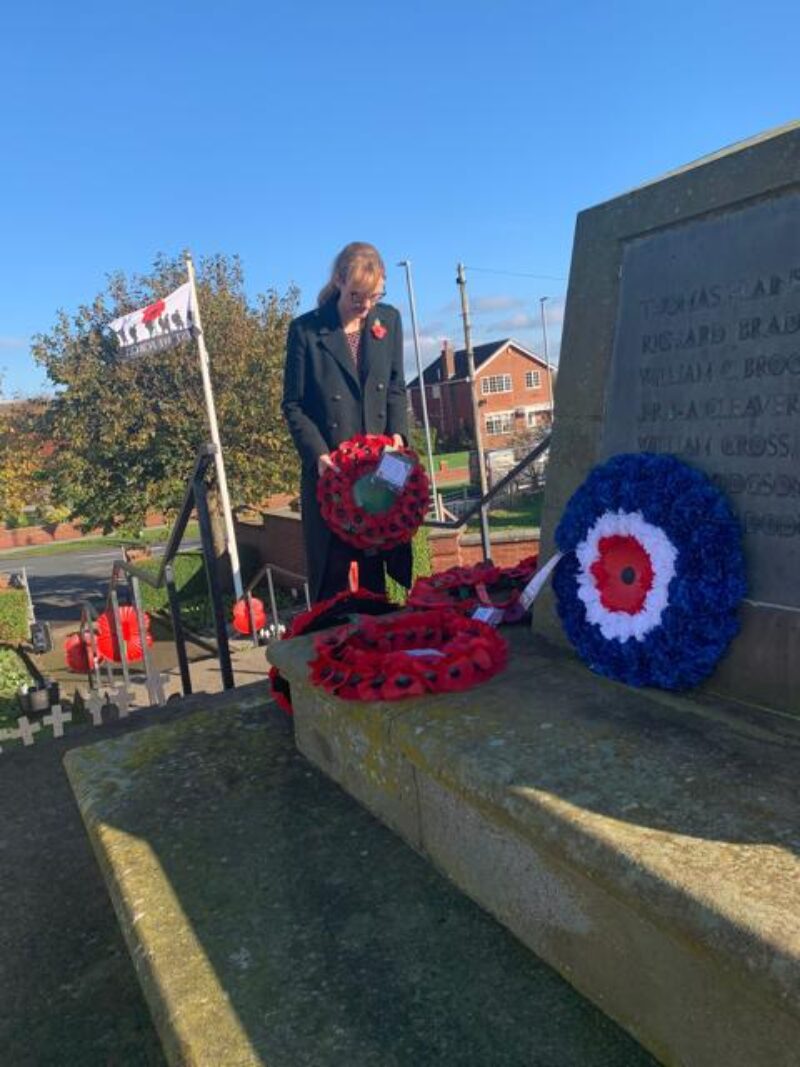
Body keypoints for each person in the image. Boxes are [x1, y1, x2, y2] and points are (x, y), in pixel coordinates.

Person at [282, 242, 412, 602]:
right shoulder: (305, 331)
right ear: (339, 280)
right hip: (331, 472)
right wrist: (317, 454)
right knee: (332, 580)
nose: (366, 305)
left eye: (374, 295)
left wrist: (398, 436)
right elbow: (293, 405)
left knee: (383, 569)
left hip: (384, 465)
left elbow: (397, 387)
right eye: (357, 295)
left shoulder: (390, 320)